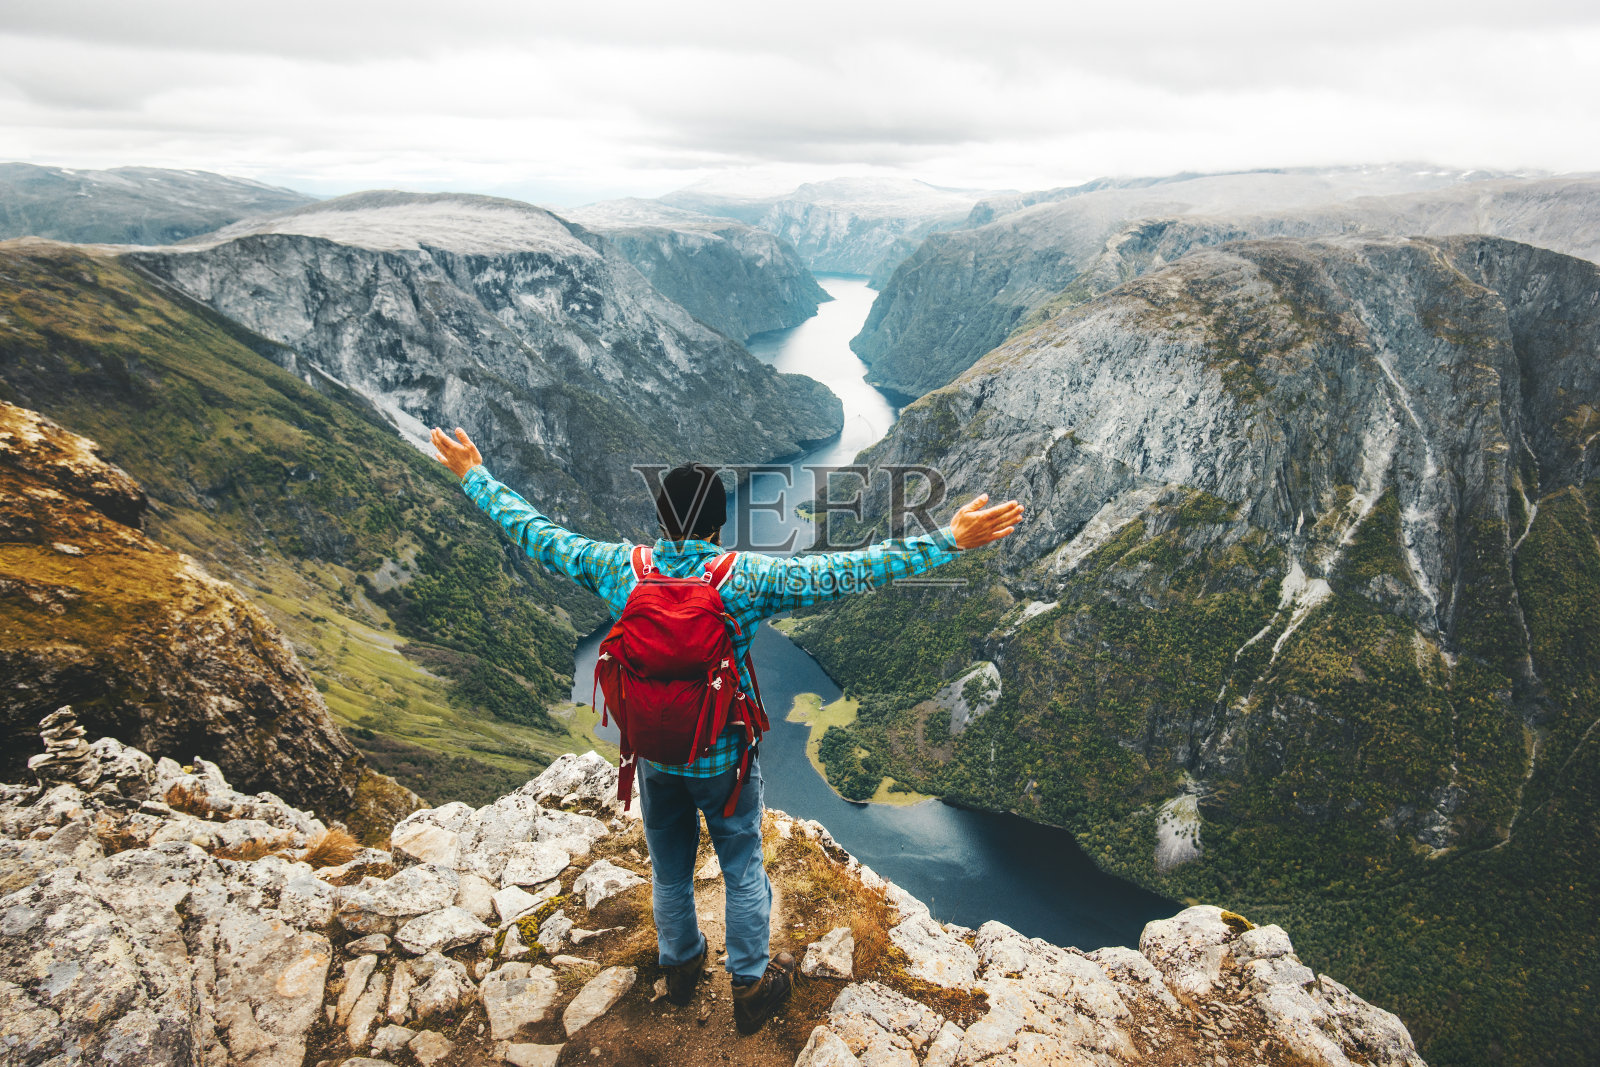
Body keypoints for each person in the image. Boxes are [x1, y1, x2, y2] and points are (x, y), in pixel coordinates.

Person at [430, 426, 1024, 1034]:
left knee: (668, 866)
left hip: (654, 755)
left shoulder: (618, 569)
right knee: (741, 864)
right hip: (725, 755)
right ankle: (750, 985)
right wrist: (948, 540)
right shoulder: (744, 579)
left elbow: (536, 533)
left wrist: (474, 475)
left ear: (662, 521)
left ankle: (681, 965)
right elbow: (849, 572)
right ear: (717, 526)